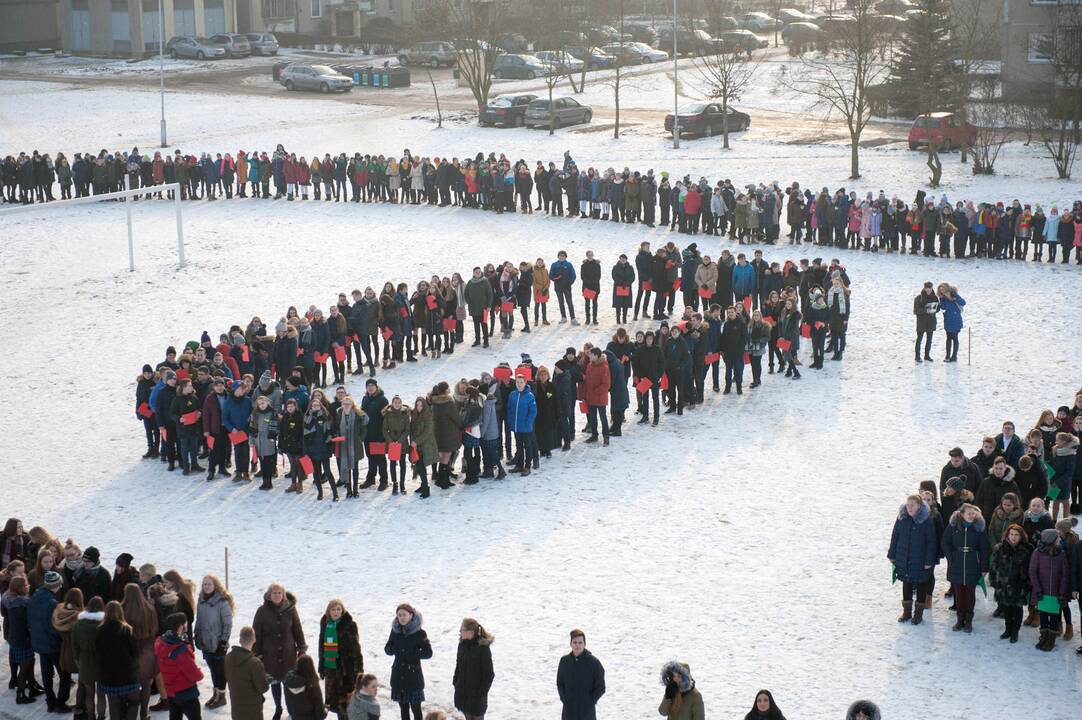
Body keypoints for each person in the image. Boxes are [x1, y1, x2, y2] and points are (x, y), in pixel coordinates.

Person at [252, 583, 306, 720]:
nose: (277, 595)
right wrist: (256, 653)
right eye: (274, 593)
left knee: (288, 683)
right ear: (269, 595)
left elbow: (297, 629)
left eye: (279, 593)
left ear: (284, 594)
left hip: (288, 653)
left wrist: (301, 647)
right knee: (275, 683)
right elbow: (256, 633)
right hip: (270, 654)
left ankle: (291, 708)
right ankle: (278, 708)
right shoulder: (262, 611)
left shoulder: (291, 609)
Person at [887, 495, 937, 625]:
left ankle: (918, 614)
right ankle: (907, 612)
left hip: (920, 560)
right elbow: (895, 536)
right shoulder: (901, 518)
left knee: (921, 586)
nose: (909, 508)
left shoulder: (926, 520)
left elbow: (931, 542)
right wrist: (892, 554)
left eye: (913, 505)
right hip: (904, 558)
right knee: (906, 584)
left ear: (919, 506)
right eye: (908, 505)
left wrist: (928, 561)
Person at [942, 503, 991, 633]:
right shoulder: (953, 526)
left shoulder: (979, 528)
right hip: (956, 563)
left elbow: (985, 548)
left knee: (970, 593)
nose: (971, 515)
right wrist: (951, 556)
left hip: (972, 564)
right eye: (968, 513)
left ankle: (968, 620)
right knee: (958, 593)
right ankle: (959, 619)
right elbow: (945, 542)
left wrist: (984, 566)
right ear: (962, 514)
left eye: (973, 513)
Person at [29, 569, 71, 712]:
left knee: (46, 674)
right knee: (64, 674)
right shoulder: (52, 602)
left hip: (38, 642)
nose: (61, 587)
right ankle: (60, 703)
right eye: (60, 584)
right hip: (52, 645)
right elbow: (53, 626)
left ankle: (50, 702)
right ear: (56, 585)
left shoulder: (35, 595)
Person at [383, 603, 432, 720]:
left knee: (416, 710)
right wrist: (393, 649)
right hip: (398, 676)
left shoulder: (420, 633)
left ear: (411, 615)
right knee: (403, 710)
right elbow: (387, 649)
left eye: (404, 615)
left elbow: (428, 653)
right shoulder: (395, 631)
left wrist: (414, 652)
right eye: (399, 615)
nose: (402, 618)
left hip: (413, 677)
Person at [155, 613, 205, 720]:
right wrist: (200, 673)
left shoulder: (160, 642)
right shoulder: (181, 651)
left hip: (170, 691)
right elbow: (195, 675)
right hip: (186, 693)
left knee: (174, 717)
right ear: (181, 626)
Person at [194, 575, 233, 710]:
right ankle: (215, 693)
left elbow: (227, 624)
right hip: (206, 642)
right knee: (212, 669)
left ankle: (221, 697)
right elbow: (198, 619)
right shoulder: (201, 600)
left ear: (215, 585)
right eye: (205, 584)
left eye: (209, 584)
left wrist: (223, 641)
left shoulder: (222, 602)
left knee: (220, 670)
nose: (207, 587)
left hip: (218, 643)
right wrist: (196, 634)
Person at [319, 599, 362, 719]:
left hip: (346, 670)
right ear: (329, 611)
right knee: (336, 703)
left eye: (338, 609)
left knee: (346, 703)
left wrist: (358, 671)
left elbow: (356, 650)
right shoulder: (325, 624)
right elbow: (321, 647)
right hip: (330, 668)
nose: (336, 612)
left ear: (342, 611)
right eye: (333, 609)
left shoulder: (349, 626)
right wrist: (321, 665)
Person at [97, 601, 141, 720]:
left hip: (108, 674)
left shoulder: (100, 630)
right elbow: (135, 652)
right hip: (127, 673)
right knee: (134, 702)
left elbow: (98, 650)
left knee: (114, 705)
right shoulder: (127, 629)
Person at [989, 524, 1032, 643]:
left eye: (1016, 535)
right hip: (1003, 585)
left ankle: (1015, 632)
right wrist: (993, 580)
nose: (1013, 537)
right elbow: (994, 565)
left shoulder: (1026, 549)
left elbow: (1029, 569)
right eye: (1011, 534)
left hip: (1019, 585)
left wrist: (1027, 584)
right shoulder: (1000, 547)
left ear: (1021, 536)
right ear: (1007, 535)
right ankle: (1008, 629)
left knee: (1017, 609)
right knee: (1006, 609)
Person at [1030, 528, 1070, 651]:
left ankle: (1051, 639)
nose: (1060, 539)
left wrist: (1062, 592)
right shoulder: (1038, 553)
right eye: (1058, 538)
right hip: (1042, 591)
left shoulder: (1061, 554)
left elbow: (1065, 574)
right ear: (1051, 540)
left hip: (1056, 593)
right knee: (1043, 615)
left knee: (1053, 616)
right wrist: (1037, 588)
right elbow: (1032, 571)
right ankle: (1043, 637)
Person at [555, 629, 605, 720]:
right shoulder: (564, 661)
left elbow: (601, 687)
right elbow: (560, 683)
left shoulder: (594, 663)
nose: (577, 645)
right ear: (570, 644)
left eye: (580, 642)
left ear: (584, 644)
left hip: (587, 713)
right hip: (568, 712)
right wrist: (564, 698)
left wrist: (590, 701)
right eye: (574, 642)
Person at [452, 618, 494, 720]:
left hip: (477, 696)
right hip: (463, 692)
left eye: (462, 629)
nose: (460, 631)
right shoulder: (462, 645)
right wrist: (456, 681)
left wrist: (481, 693)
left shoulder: (483, 648)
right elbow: (458, 665)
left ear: (470, 632)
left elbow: (489, 674)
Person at [72, 595, 107, 720]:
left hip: (85, 660)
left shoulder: (78, 624)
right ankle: (101, 717)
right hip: (102, 662)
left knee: (89, 694)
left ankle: (91, 716)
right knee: (102, 695)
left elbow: (74, 646)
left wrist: (78, 661)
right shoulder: (104, 624)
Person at [225, 626, 268, 720]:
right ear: (254, 639)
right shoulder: (255, 663)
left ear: (240, 640)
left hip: (236, 707)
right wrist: (266, 679)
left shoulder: (228, 658)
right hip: (253, 710)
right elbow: (263, 688)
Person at [507, 375, 538, 476]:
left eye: (521, 382)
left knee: (527, 446)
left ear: (525, 383)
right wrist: (510, 421)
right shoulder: (512, 394)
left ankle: (527, 466)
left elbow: (533, 412)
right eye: (517, 382)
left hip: (526, 427)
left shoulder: (530, 396)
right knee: (519, 446)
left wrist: (528, 422)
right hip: (516, 426)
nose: (519, 384)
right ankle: (519, 465)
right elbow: (510, 409)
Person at [583, 348, 611, 446]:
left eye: (590, 354)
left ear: (596, 355)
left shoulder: (604, 367)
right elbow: (587, 381)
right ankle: (594, 435)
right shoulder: (589, 366)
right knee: (593, 418)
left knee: (603, 418)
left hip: (600, 398)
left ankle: (606, 437)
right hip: (591, 397)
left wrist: (596, 391)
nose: (589, 356)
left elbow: (606, 384)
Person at [283, 654, 325, 720]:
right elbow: (320, 714)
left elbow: (289, 705)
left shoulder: (289, 682)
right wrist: (326, 709)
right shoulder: (313, 684)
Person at [937, 283, 965, 362]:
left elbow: (963, 302)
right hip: (948, 320)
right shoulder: (942, 297)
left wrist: (955, 298)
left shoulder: (953, 294)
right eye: (940, 290)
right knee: (948, 338)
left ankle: (954, 356)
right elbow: (943, 307)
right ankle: (947, 356)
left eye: (943, 289)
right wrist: (941, 299)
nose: (941, 291)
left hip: (956, 319)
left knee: (955, 338)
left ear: (946, 288)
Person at [913, 281, 939, 363]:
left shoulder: (935, 297)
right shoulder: (918, 298)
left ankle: (927, 356)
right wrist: (926, 310)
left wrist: (935, 309)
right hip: (921, 321)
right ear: (924, 288)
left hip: (931, 321)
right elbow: (915, 311)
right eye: (927, 289)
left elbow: (938, 309)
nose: (928, 291)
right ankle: (917, 356)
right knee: (919, 339)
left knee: (929, 339)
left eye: (930, 289)